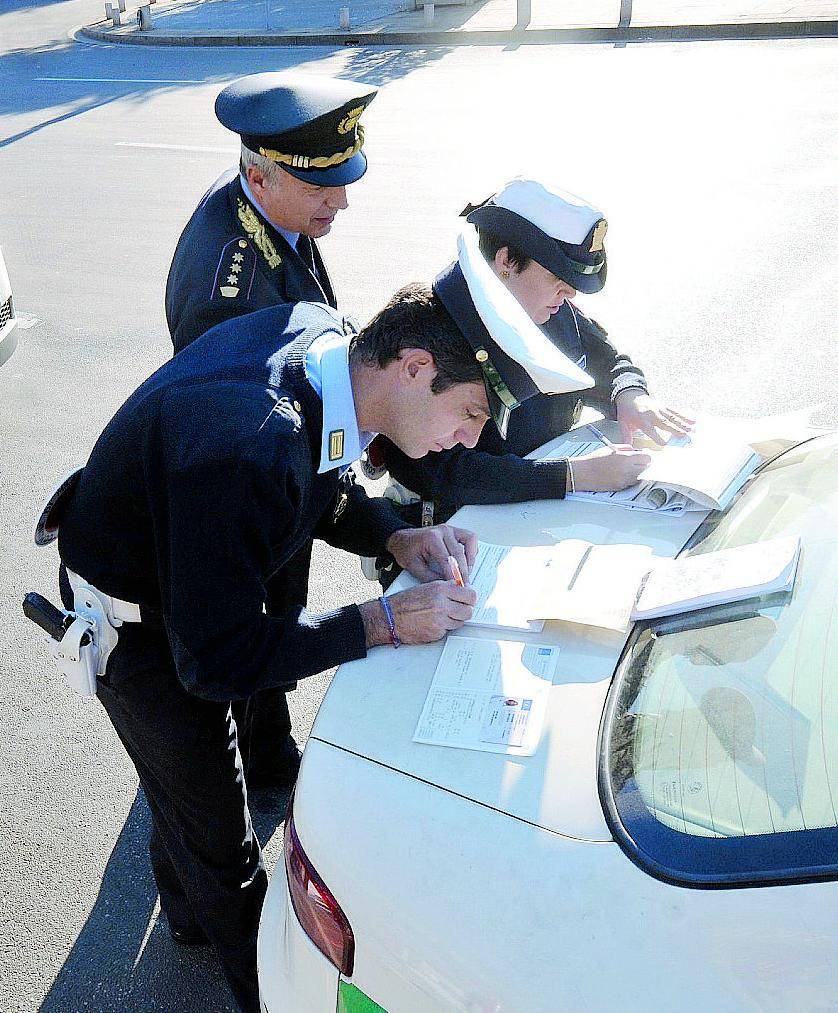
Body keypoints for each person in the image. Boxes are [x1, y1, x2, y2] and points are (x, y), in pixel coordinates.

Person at [46, 260, 592, 1010]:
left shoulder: (328, 347)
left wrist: (395, 535)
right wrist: (381, 622)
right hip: (140, 627)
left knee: (181, 786)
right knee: (223, 841)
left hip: (180, 577)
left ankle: (185, 915)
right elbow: (217, 658)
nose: (468, 439)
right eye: (469, 413)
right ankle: (255, 980)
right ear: (413, 366)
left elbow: (321, 487)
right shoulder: (253, 442)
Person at [165, 71, 377, 787]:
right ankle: (261, 751)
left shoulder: (268, 211)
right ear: (260, 172)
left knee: (278, 599)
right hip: (247, 483)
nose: (340, 200)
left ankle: (259, 737)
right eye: (323, 188)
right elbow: (246, 427)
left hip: (284, 470)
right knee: (258, 615)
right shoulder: (232, 289)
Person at [371, 178, 693, 538]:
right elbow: (439, 470)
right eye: (558, 276)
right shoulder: (436, 326)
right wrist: (572, 476)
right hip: (450, 534)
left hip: (533, 516)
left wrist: (631, 395)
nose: (569, 293)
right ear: (506, 259)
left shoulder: (552, 313)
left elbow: (607, 363)